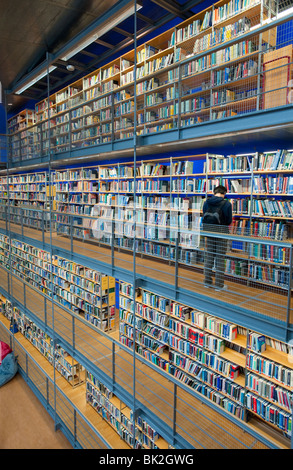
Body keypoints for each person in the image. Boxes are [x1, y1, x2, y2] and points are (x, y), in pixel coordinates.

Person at [202, 185, 232, 291]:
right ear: (224, 193)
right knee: (220, 259)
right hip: (221, 233)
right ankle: (219, 286)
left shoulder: (206, 202)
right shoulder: (227, 204)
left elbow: (204, 215)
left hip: (209, 232)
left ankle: (207, 282)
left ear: (214, 192)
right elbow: (228, 221)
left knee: (209, 257)